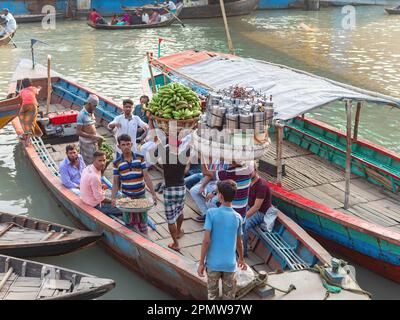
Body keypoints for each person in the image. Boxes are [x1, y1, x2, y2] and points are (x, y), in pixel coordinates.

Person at [197, 180, 247, 300]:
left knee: (212, 297)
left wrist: (201, 263)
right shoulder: (238, 217)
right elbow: (239, 241)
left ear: (220, 196)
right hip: (230, 265)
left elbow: (206, 241)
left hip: (213, 265)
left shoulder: (211, 213)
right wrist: (241, 258)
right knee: (229, 297)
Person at [111, 134, 157, 234]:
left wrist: (153, 194)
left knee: (143, 221)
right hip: (127, 197)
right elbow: (115, 182)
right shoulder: (116, 163)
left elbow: (146, 177)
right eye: (123, 145)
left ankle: (145, 239)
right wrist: (113, 198)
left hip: (141, 195)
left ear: (131, 144)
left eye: (128, 144)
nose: (126, 147)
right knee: (129, 222)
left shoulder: (140, 158)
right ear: (119, 146)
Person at [158, 137, 191, 251]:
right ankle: (178, 231)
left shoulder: (164, 153)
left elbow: (157, 141)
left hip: (169, 189)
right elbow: (186, 170)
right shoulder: (183, 155)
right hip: (181, 188)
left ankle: (176, 243)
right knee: (180, 211)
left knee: (170, 218)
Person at [80, 151, 122, 216]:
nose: (102, 163)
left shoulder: (88, 167)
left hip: (87, 199)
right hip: (95, 205)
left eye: (104, 160)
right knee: (122, 208)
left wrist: (101, 186)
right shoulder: (94, 177)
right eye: (99, 160)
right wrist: (113, 201)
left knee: (118, 196)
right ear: (94, 160)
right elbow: (100, 199)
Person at [242, 167, 273, 257]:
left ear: (256, 170)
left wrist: (243, 217)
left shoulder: (261, 185)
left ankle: (243, 253)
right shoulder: (249, 182)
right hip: (250, 207)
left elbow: (256, 207)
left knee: (244, 225)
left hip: (261, 212)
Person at [76, 94, 103, 165]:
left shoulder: (91, 112)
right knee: (88, 162)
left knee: (94, 159)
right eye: (95, 106)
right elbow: (78, 132)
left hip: (93, 141)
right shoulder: (81, 115)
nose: (96, 107)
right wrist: (93, 136)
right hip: (86, 143)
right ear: (89, 104)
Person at [17, 78, 43, 145]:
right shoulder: (33, 88)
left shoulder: (22, 91)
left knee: (23, 119)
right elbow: (37, 91)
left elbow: (18, 97)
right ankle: (28, 137)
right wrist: (39, 88)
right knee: (31, 122)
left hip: (24, 106)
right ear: (30, 83)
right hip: (33, 105)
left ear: (23, 85)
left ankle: (26, 134)